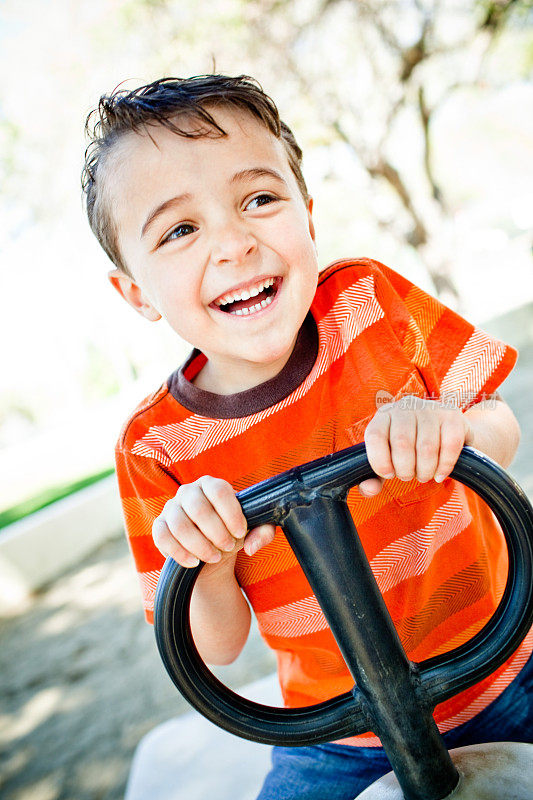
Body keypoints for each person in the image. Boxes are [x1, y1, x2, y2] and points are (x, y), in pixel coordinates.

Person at [81, 74, 532, 799]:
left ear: (308, 214)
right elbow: (214, 646)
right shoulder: (157, 448)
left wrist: (450, 428)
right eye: (180, 230)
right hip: (338, 735)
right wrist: (209, 556)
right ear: (135, 291)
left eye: (259, 199)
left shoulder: (370, 303)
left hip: (508, 661)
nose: (234, 243)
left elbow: (501, 429)